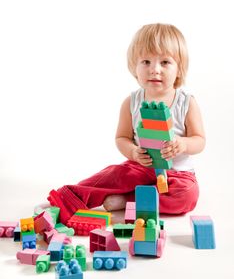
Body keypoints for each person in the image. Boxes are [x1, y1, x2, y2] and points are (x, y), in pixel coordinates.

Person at [47, 23, 206, 224]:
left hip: (177, 174)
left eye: (165, 62)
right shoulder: (132, 102)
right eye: (146, 61)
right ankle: (70, 197)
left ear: (179, 69)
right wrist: (132, 152)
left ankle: (127, 200)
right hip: (141, 166)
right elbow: (122, 137)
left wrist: (183, 144)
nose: (154, 70)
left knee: (187, 196)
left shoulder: (186, 102)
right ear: (134, 67)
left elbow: (199, 140)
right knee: (114, 174)